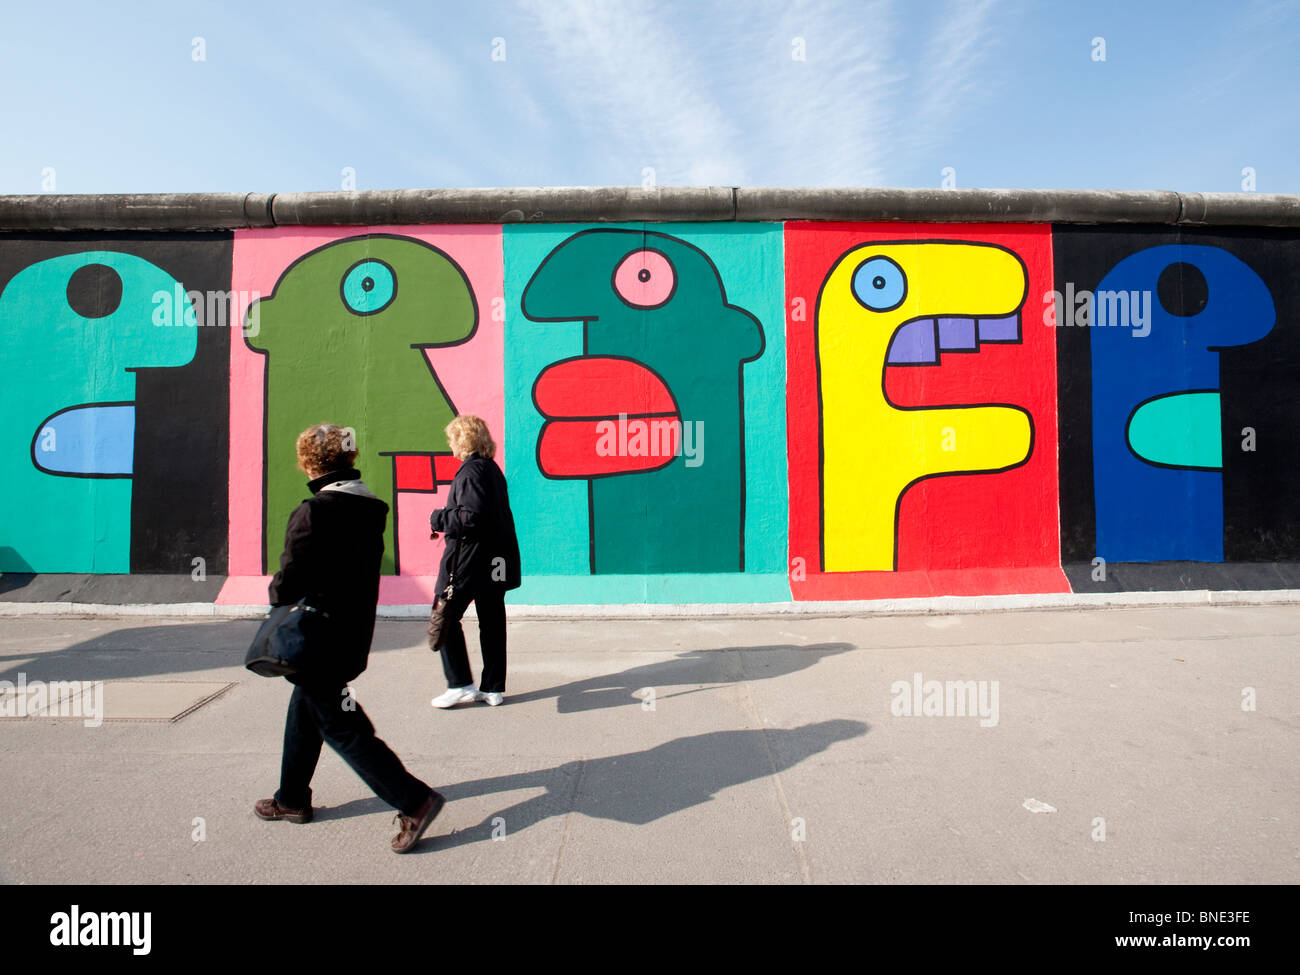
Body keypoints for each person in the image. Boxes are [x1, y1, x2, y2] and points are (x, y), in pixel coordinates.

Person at [254, 423, 444, 853]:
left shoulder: (313, 512)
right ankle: (291, 798)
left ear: (308, 462)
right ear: (351, 458)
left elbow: (286, 586)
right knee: (307, 706)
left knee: (341, 725)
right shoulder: (371, 509)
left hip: (314, 638)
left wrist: (276, 597)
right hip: (350, 634)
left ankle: (414, 800)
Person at [428, 415, 521, 708]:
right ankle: (492, 688)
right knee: (492, 623)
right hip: (495, 560)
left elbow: (471, 518)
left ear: (462, 440)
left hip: (469, 563)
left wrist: (439, 517)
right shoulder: (491, 469)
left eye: (452, 439)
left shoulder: (470, 472)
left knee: (444, 617)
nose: (450, 445)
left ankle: (460, 684)